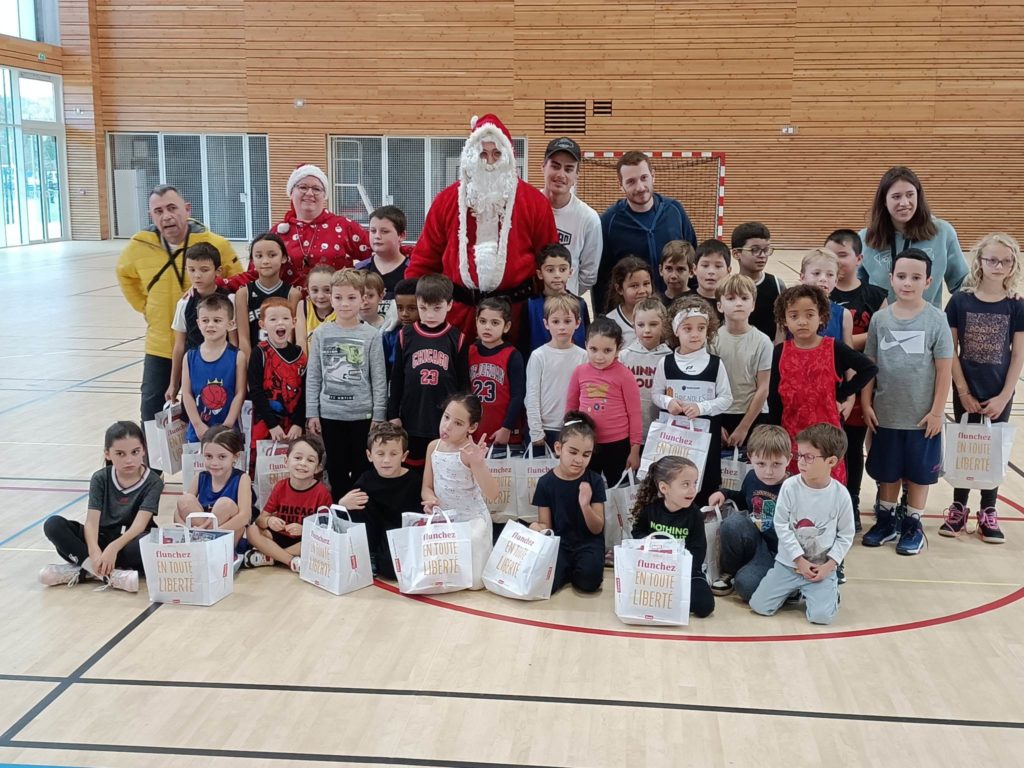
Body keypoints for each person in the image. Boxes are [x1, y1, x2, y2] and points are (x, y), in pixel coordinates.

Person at [407, 114, 558, 340]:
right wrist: (408, 301)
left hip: (516, 319)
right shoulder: (446, 201)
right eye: (482, 154)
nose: (489, 162)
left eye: (496, 154)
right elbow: (425, 260)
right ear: (470, 157)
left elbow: (548, 261)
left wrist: (553, 306)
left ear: (508, 157)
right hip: (457, 319)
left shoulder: (534, 203)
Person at [116, 184, 241, 422]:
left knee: (208, 408)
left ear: (187, 209)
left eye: (172, 208)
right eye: (158, 211)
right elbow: (124, 275)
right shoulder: (138, 247)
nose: (166, 216)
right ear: (151, 215)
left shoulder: (216, 244)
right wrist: (146, 307)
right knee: (152, 412)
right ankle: (153, 449)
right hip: (161, 346)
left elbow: (236, 281)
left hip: (208, 348)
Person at [861, 248, 954, 555]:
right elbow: (870, 364)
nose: (907, 283)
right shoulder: (880, 319)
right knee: (887, 472)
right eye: (901, 276)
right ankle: (886, 522)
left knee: (918, 474)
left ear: (928, 281)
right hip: (886, 414)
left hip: (922, 418)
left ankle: (913, 525)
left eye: (916, 277)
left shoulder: (937, 319)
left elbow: (944, 371)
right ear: (891, 278)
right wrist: (866, 403)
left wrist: (937, 412)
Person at [942, 233, 1024, 543]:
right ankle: (958, 507)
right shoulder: (960, 301)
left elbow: (1018, 355)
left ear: (1013, 264)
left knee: (992, 448)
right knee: (966, 445)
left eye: (1005, 261)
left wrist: (1004, 395)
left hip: (999, 390)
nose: (998, 266)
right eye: (992, 260)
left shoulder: (1016, 305)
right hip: (966, 387)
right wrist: (962, 390)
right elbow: (950, 349)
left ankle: (988, 510)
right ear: (979, 261)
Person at [767, 285, 876, 484]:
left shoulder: (834, 347)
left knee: (827, 489)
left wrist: (842, 393)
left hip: (826, 438)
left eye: (809, 315)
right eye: (794, 316)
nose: (802, 321)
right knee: (793, 488)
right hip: (791, 436)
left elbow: (868, 368)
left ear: (822, 317)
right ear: (784, 320)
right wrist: (774, 435)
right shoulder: (780, 351)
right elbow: (773, 397)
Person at [749, 424, 854, 626]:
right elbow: (781, 525)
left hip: (821, 570)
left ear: (831, 461)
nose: (802, 462)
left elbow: (846, 535)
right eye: (800, 455)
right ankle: (796, 591)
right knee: (760, 606)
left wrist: (829, 566)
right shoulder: (790, 486)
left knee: (821, 617)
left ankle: (829, 593)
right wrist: (799, 560)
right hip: (788, 565)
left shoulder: (840, 495)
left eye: (809, 457)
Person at [39, 421, 162, 592]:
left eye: (135, 452)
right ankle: (109, 575)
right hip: (99, 539)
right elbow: (91, 522)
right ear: (107, 454)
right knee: (53, 525)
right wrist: (94, 551)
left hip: (128, 543)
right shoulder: (100, 478)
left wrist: (113, 548)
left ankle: (83, 569)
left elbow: (139, 526)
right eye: (120, 454)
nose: (129, 460)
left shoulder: (153, 482)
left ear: (144, 450)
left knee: (152, 542)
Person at [306, 269, 387, 498]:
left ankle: (362, 512)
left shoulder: (372, 335)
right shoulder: (321, 333)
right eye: (338, 297)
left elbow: (379, 377)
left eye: (351, 297)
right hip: (330, 414)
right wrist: (312, 412)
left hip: (362, 415)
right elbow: (314, 375)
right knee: (336, 470)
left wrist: (379, 414)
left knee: (363, 469)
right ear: (331, 299)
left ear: (362, 299)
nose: (344, 304)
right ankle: (340, 511)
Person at [826, 228, 888, 530]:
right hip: (825, 383)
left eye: (842, 255)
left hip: (856, 384)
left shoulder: (876, 296)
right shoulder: (820, 293)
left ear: (859, 258)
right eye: (830, 256)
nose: (836, 262)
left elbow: (881, 336)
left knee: (852, 446)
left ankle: (851, 499)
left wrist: (844, 341)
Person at [651, 296, 733, 505]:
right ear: (676, 330)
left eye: (701, 328)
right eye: (687, 328)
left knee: (704, 487)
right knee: (675, 484)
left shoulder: (715, 364)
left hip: (706, 440)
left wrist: (701, 407)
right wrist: (668, 402)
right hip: (675, 440)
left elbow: (726, 399)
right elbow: (656, 394)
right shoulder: (665, 362)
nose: (695, 334)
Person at [595, 152, 697, 311]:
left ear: (653, 176)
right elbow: (602, 279)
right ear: (620, 185)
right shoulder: (609, 222)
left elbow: (693, 257)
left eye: (644, 178)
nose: (640, 187)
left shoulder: (674, 211)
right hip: (635, 313)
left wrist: (695, 300)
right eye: (631, 181)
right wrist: (603, 317)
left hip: (676, 307)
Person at [386, 274, 469, 467]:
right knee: (412, 469)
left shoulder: (457, 338)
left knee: (441, 468)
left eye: (437, 308)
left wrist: (462, 419)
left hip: (444, 421)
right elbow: (396, 379)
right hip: (411, 417)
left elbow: (464, 384)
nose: (430, 315)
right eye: (423, 308)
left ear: (449, 304)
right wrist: (393, 414)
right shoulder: (405, 335)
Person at [859, 166, 969, 308]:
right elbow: (855, 289)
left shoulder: (942, 233)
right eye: (896, 197)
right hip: (880, 321)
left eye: (910, 195)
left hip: (928, 321)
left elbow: (962, 284)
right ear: (884, 201)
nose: (904, 203)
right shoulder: (865, 239)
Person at [421, 394, 499, 590]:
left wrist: (478, 464)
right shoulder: (433, 447)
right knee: (442, 578)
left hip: (472, 522)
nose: (447, 426)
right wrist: (431, 501)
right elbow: (426, 488)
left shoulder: (470, 452)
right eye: (446, 417)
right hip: (445, 522)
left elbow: (493, 494)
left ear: (471, 427)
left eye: (458, 423)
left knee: (474, 583)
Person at [707, 425, 790, 601]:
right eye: (761, 464)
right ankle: (730, 572)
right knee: (732, 523)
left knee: (747, 586)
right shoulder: (752, 477)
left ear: (788, 460)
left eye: (776, 464)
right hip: (757, 541)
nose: (768, 471)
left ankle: (787, 584)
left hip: (781, 553)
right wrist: (724, 493)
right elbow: (744, 499)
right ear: (751, 458)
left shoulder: (793, 487)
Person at [529, 412, 606, 594]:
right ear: (558, 448)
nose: (579, 460)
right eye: (573, 452)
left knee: (589, 582)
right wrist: (536, 528)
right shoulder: (546, 482)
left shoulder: (594, 481)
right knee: (546, 583)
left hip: (588, 543)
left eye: (586, 454)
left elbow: (597, 529)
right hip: (560, 544)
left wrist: (585, 506)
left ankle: (577, 568)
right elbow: (546, 526)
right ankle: (567, 569)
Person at [629, 455, 715, 618]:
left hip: (685, 571)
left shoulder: (695, 515)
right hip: (653, 569)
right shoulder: (650, 509)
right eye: (685, 484)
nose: (692, 490)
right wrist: (646, 540)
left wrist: (679, 570)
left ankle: (672, 598)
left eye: (695, 483)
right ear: (664, 488)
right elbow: (637, 532)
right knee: (636, 597)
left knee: (705, 606)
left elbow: (698, 550)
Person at [262, 163, 370, 287]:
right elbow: (257, 271)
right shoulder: (277, 233)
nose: (309, 193)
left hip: (336, 299)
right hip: (289, 299)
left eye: (316, 189)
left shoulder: (345, 227)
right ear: (291, 193)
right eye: (303, 187)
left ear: (324, 196)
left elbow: (378, 257)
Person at [338, 423, 423, 579]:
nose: (386, 460)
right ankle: (368, 554)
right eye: (380, 454)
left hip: (400, 535)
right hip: (374, 534)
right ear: (369, 455)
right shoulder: (365, 479)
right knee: (357, 501)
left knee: (391, 570)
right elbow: (347, 514)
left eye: (393, 454)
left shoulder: (415, 481)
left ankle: (380, 558)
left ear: (404, 456)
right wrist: (342, 504)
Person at [566, 317, 643, 483]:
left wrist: (635, 450)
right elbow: (571, 408)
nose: (599, 357)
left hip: (618, 445)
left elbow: (635, 414)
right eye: (593, 349)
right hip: (586, 442)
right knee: (586, 486)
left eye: (607, 350)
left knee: (619, 490)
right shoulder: (579, 372)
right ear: (586, 345)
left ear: (618, 349)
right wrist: (568, 438)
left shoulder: (625, 375)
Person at [245, 436, 332, 572]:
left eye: (310, 460)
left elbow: (326, 530)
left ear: (318, 468)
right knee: (251, 530)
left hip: (303, 540)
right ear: (286, 461)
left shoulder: (322, 493)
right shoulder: (280, 487)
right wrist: (269, 521)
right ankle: (290, 560)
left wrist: (305, 529)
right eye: (298, 458)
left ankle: (273, 557)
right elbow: (260, 520)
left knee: (320, 543)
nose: (303, 463)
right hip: (279, 536)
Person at [166, 243, 238, 403]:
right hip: (195, 370)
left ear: (218, 271)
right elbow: (179, 346)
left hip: (224, 370)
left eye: (204, 270)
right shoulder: (184, 303)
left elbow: (234, 343)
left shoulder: (231, 300)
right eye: (191, 270)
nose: (197, 276)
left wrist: (238, 376)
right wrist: (174, 383)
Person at [711, 274, 772, 450]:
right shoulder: (712, 340)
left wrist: (744, 427)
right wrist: (715, 422)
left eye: (744, 298)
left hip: (753, 415)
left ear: (753, 305)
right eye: (731, 298)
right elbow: (709, 385)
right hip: (720, 413)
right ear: (719, 305)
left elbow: (763, 387)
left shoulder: (763, 341)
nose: (738, 303)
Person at [247, 298, 307, 467]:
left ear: (294, 322)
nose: (280, 323)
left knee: (293, 466)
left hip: (294, 427)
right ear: (262, 324)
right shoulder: (259, 352)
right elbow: (255, 391)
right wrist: (272, 425)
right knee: (264, 470)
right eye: (273, 319)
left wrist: (298, 423)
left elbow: (306, 392)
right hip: (266, 423)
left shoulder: (300, 354)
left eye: (285, 318)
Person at [525, 295, 589, 451]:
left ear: (578, 323)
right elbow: (532, 396)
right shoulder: (538, 356)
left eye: (567, 321)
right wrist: (536, 431)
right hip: (544, 429)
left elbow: (586, 394)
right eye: (555, 321)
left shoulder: (584, 356)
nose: (562, 327)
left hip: (573, 428)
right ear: (546, 324)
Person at [181, 294, 247, 443]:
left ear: (230, 324)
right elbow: (187, 394)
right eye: (205, 320)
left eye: (217, 320)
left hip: (228, 432)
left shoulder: (238, 356)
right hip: (198, 434)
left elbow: (240, 393)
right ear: (198, 323)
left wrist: (227, 426)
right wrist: (198, 425)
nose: (210, 325)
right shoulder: (189, 357)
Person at [541, 137, 602, 298]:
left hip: (565, 307)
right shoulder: (527, 207)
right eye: (555, 166)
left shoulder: (589, 219)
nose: (561, 175)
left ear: (576, 175)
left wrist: (568, 293)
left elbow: (589, 274)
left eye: (568, 169)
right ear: (543, 166)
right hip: (529, 303)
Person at [175, 425, 251, 544]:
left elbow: (244, 517)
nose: (214, 463)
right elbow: (178, 512)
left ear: (235, 456)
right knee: (185, 500)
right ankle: (201, 542)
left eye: (222, 457)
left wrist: (213, 533)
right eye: (209, 456)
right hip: (199, 534)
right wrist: (187, 530)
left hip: (227, 535)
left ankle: (207, 541)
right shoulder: (200, 477)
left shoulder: (242, 478)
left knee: (224, 504)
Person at [470, 297, 525, 450]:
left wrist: (507, 427)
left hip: (503, 432)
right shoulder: (469, 352)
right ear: (476, 322)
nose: (487, 327)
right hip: (474, 433)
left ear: (506, 326)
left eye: (495, 323)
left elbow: (518, 396)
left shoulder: (512, 355)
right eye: (483, 321)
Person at [236, 232, 301, 359]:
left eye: (272, 255)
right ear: (252, 260)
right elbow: (243, 339)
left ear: (284, 258)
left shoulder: (293, 294)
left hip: (282, 362)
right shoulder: (243, 294)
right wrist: (250, 367)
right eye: (259, 256)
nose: (265, 261)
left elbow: (290, 337)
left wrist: (281, 365)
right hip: (255, 362)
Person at [618, 297, 672, 435]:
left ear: (664, 325)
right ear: (633, 326)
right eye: (641, 325)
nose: (647, 330)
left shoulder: (670, 358)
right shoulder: (623, 357)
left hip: (661, 431)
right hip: (629, 430)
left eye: (653, 324)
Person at [524, 243, 589, 351]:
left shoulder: (580, 304)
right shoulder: (531, 305)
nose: (557, 275)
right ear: (540, 274)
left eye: (562, 269)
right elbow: (524, 344)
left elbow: (587, 340)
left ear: (570, 272)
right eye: (550, 270)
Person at [731, 222, 784, 340]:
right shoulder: (729, 287)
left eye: (766, 250)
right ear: (736, 253)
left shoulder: (777, 284)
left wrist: (777, 347)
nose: (762, 255)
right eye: (754, 250)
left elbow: (782, 323)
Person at [356, 205, 411, 318]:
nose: (377, 236)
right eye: (373, 231)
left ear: (401, 236)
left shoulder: (411, 271)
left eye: (384, 231)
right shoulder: (358, 270)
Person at [798, 249, 853, 345]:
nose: (823, 279)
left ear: (836, 281)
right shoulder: (788, 310)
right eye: (816, 273)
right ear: (802, 277)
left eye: (830, 275)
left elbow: (848, 352)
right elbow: (779, 346)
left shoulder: (844, 315)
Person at [603, 255, 654, 348]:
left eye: (646, 284)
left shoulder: (660, 315)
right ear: (619, 289)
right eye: (634, 286)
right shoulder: (610, 322)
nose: (642, 291)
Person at [295, 263, 336, 357]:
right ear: (308, 291)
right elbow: (301, 340)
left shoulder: (340, 308)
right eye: (315, 290)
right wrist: (305, 365)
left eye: (327, 290)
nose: (320, 296)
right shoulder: (303, 306)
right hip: (310, 363)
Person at [382, 278, 418, 375]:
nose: (404, 314)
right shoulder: (389, 336)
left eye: (411, 308)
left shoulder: (429, 335)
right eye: (400, 308)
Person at [692, 239, 731, 323]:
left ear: (728, 271)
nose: (711, 271)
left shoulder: (733, 302)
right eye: (705, 265)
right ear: (694, 269)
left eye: (718, 266)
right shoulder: (683, 301)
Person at [660, 240, 695, 306]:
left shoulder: (698, 303)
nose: (673, 276)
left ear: (691, 272)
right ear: (661, 270)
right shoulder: (656, 303)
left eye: (680, 269)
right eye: (669, 269)